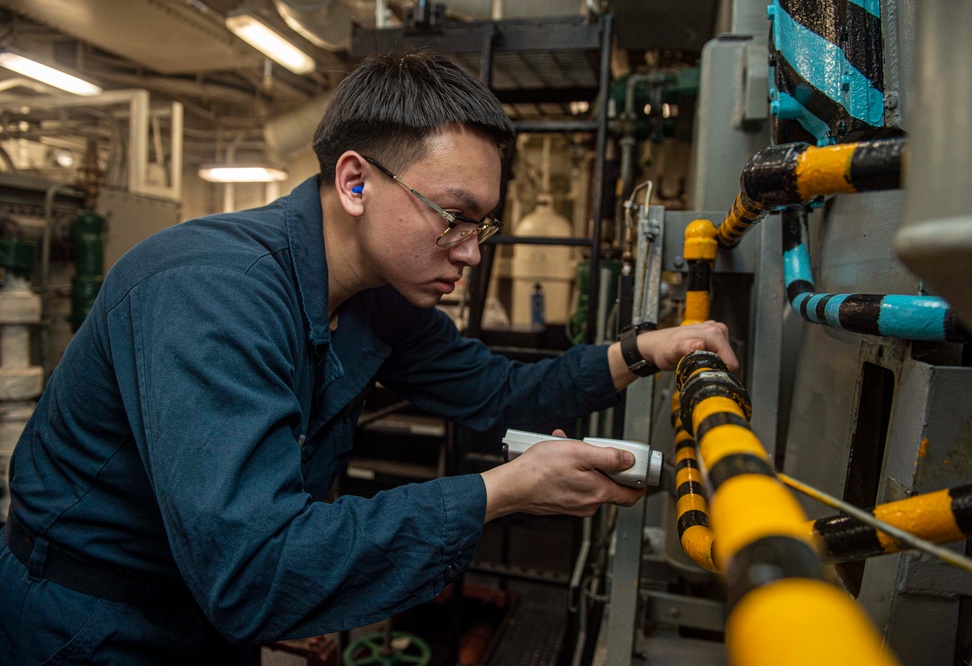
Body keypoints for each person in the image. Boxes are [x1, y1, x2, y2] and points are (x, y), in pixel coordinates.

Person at [0, 51, 737, 664]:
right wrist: (500, 493)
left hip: (203, 605)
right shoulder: (209, 292)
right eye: (453, 217)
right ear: (355, 182)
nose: (472, 253)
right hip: (86, 620)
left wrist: (645, 349)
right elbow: (253, 569)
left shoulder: (380, 296)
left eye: (485, 225)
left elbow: (502, 394)